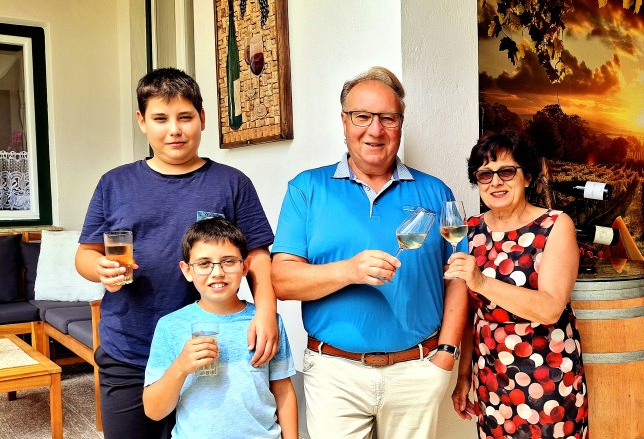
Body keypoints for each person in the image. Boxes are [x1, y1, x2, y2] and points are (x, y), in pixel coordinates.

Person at [75, 67, 278, 439]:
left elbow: (259, 257)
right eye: (160, 118)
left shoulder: (232, 183)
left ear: (202, 119)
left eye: (185, 117)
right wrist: (99, 268)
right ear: (142, 121)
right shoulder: (114, 182)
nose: (175, 129)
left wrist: (266, 312)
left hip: (212, 346)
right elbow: (85, 253)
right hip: (129, 347)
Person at [271, 66, 468, 439]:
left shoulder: (437, 192)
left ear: (400, 124)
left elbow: (459, 275)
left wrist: (446, 354)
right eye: (362, 117)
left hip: (418, 370)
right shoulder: (306, 189)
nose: (374, 130)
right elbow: (281, 280)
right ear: (344, 122)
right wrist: (348, 270)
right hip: (334, 374)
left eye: (387, 118)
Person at [448, 131, 588, 438]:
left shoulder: (555, 225)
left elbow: (551, 308)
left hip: (548, 375)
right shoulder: (471, 230)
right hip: (490, 376)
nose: (495, 182)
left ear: (526, 177)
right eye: (485, 174)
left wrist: (481, 281)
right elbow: (472, 314)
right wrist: (463, 376)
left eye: (506, 171)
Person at [143, 217, 297, 438]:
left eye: (228, 261)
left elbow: (283, 393)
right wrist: (181, 367)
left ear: (245, 267)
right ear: (187, 270)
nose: (217, 272)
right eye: (204, 263)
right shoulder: (171, 326)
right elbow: (154, 411)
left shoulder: (266, 322)